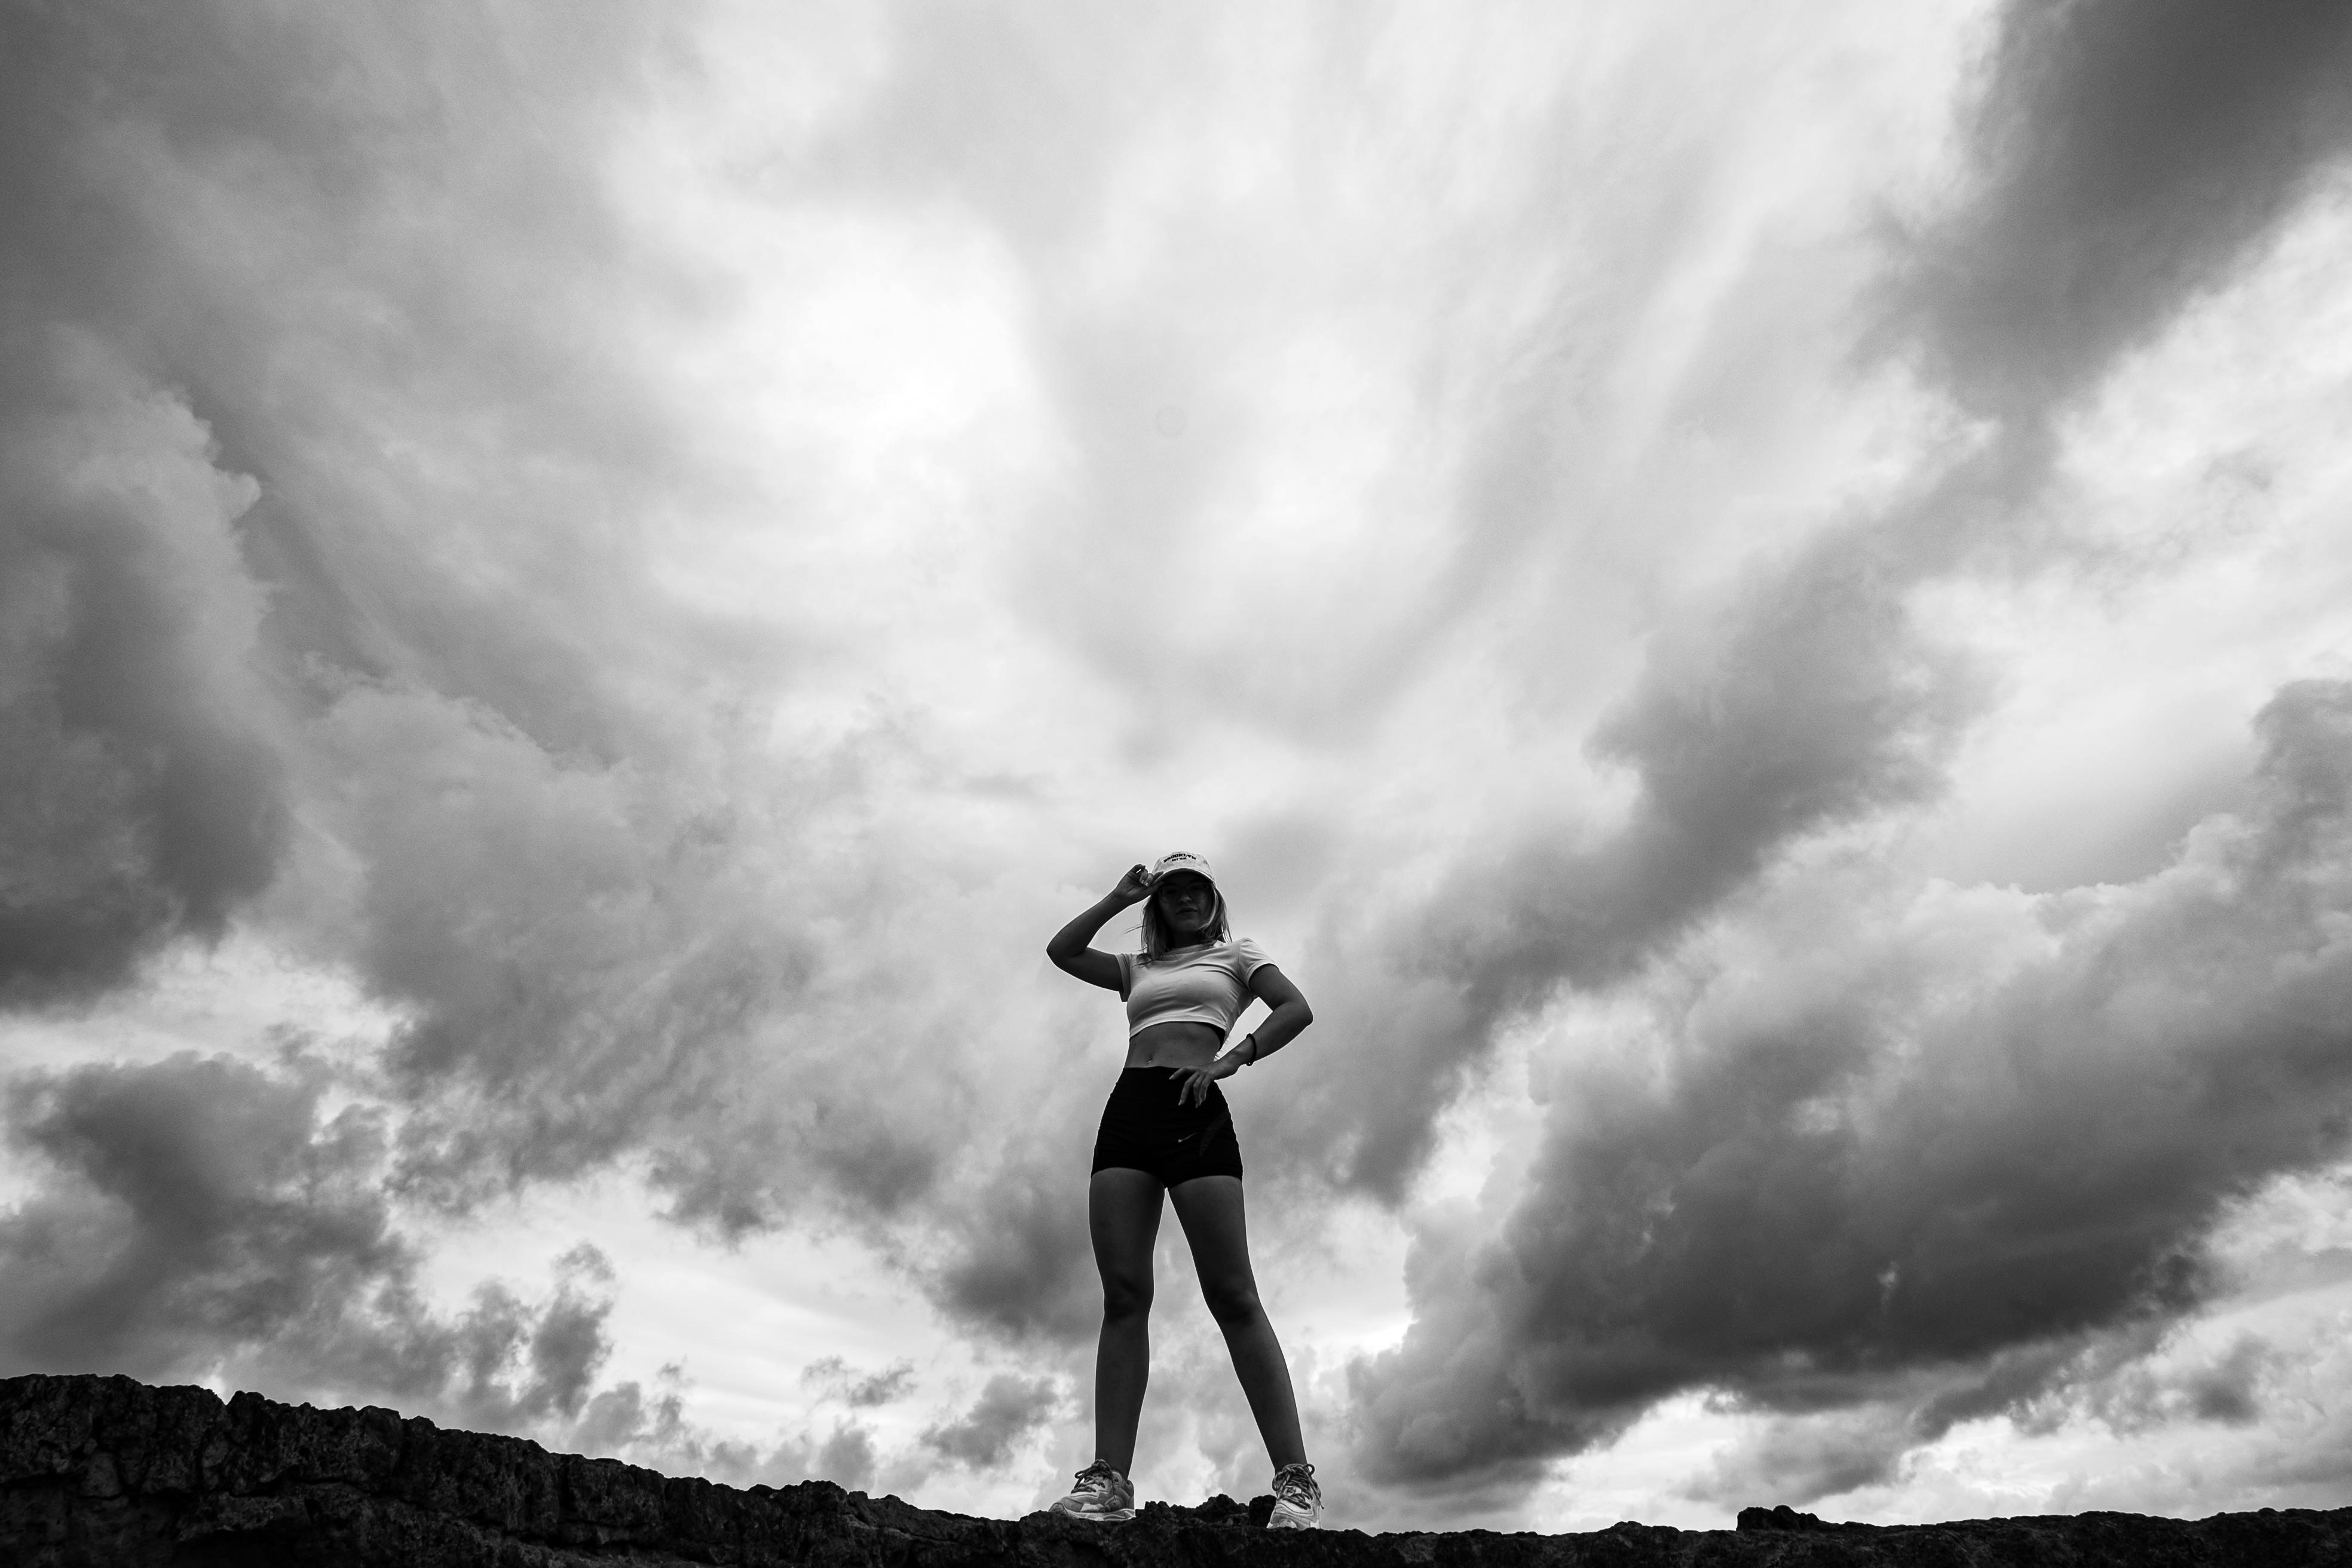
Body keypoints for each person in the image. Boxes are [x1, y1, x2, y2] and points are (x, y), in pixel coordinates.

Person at [1041, 852, 1321, 1529]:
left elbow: (1296, 1008)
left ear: (1214, 897)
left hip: (1196, 1108)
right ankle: (1110, 1479)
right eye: (1174, 891)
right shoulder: (1137, 968)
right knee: (1125, 1295)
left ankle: (1297, 1480)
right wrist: (1115, 896)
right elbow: (1062, 949)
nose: (1187, 898)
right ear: (1159, 903)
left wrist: (1233, 1058)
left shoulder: (1237, 955)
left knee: (1232, 1294)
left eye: (1197, 888)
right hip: (1130, 1111)